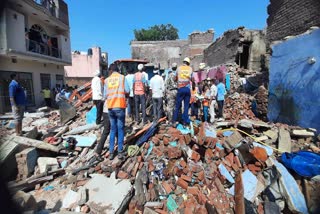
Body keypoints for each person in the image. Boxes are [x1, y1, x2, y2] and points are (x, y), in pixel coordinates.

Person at [104, 63, 129, 160]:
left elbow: (105, 95)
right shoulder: (122, 78)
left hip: (110, 107)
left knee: (113, 130)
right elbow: (127, 90)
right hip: (119, 106)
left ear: (110, 70)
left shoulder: (106, 80)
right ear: (118, 70)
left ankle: (111, 152)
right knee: (121, 129)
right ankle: (120, 151)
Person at [173, 57, 193, 126]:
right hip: (187, 89)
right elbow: (192, 79)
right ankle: (185, 122)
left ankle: (175, 121)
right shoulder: (190, 69)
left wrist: (178, 80)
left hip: (180, 88)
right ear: (188, 63)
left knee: (177, 106)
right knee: (186, 106)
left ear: (183, 62)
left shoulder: (179, 68)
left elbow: (175, 78)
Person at [94, 79, 111, 160]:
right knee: (115, 130)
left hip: (106, 110)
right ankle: (117, 150)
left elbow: (104, 97)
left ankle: (98, 151)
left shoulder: (106, 82)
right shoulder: (120, 80)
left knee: (106, 131)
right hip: (114, 110)